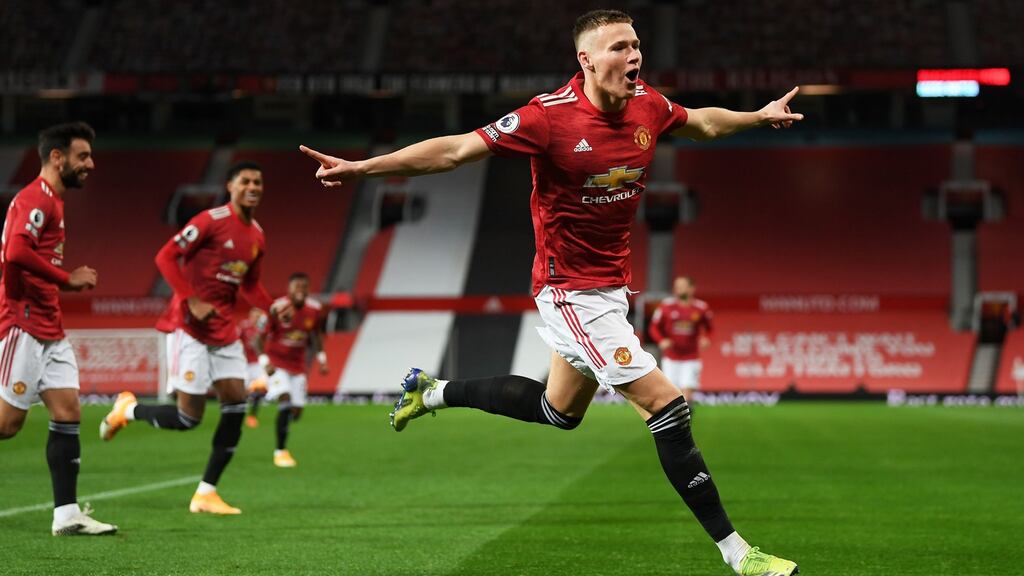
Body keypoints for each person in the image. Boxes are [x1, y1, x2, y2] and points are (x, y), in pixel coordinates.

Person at [300, 9, 801, 576]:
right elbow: (456, 150)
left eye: (636, 45)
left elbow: (702, 123)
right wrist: (366, 168)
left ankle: (433, 391)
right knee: (667, 405)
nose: (633, 56)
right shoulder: (547, 117)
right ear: (586, 60)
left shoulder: (648, 106)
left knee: (557, 411)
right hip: (569, 291)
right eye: (619, 47)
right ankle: (739, 554)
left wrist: (757, 117)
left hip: (611, 290)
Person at [100, 161, 289, 515]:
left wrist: (272, 306)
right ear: (230, 186)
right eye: (245, 180)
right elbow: (166, 256)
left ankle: (206, 493)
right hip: (189, 328)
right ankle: (129, 409)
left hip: (224, 331)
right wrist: (192, 299)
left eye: (258, 182)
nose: (253, 186)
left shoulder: (257, 235)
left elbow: (248, 282)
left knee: (236, 404)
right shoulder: (211, 220)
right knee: (189, 419)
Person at [0, 122, 117, 535]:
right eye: (82, 156)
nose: (90, 164)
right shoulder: (37, 198)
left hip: (50, 327)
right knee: (6, 426)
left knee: (67, 412)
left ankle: (66, 514)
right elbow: (15, 251)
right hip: (23, 324)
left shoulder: (54, 202)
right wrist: (66, 279)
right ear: (57, 157)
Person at [259, 272, 328, 467]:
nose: (300, 290)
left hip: (298, 367)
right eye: (297, 286)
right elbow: (259, 338)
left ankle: (280, 408)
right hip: (276, 364)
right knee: (286, 400)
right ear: (289, 289)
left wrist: (322, 359)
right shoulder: (277, 308)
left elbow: (316, 336)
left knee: (296, 412)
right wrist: (265, 362)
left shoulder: (314, 309)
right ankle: (280, 451)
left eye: (304, 286)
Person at [649, 276, 712, 404]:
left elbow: (710, 328)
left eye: (682, 286)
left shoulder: (701, 308)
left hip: (691, 357)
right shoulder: (666, 307)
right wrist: (661, 340)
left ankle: (685, 420)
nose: (678, 289)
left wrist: (706, 338)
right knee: (671, 393)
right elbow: (654, 327)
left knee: (687, 392)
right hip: (671, 357)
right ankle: (676, 420)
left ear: (691, 288)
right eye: (676, 286)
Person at [240, 307, 268, 429]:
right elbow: (237, 341)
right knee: (242, 391)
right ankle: (240, 413)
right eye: (254, 316)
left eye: (258, 316)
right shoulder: (244, 327)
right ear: (250, 317)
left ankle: (252, 416)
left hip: (258, 364)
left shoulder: (264, 329)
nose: (256, 319)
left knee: (261, 388)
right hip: (244, 364)